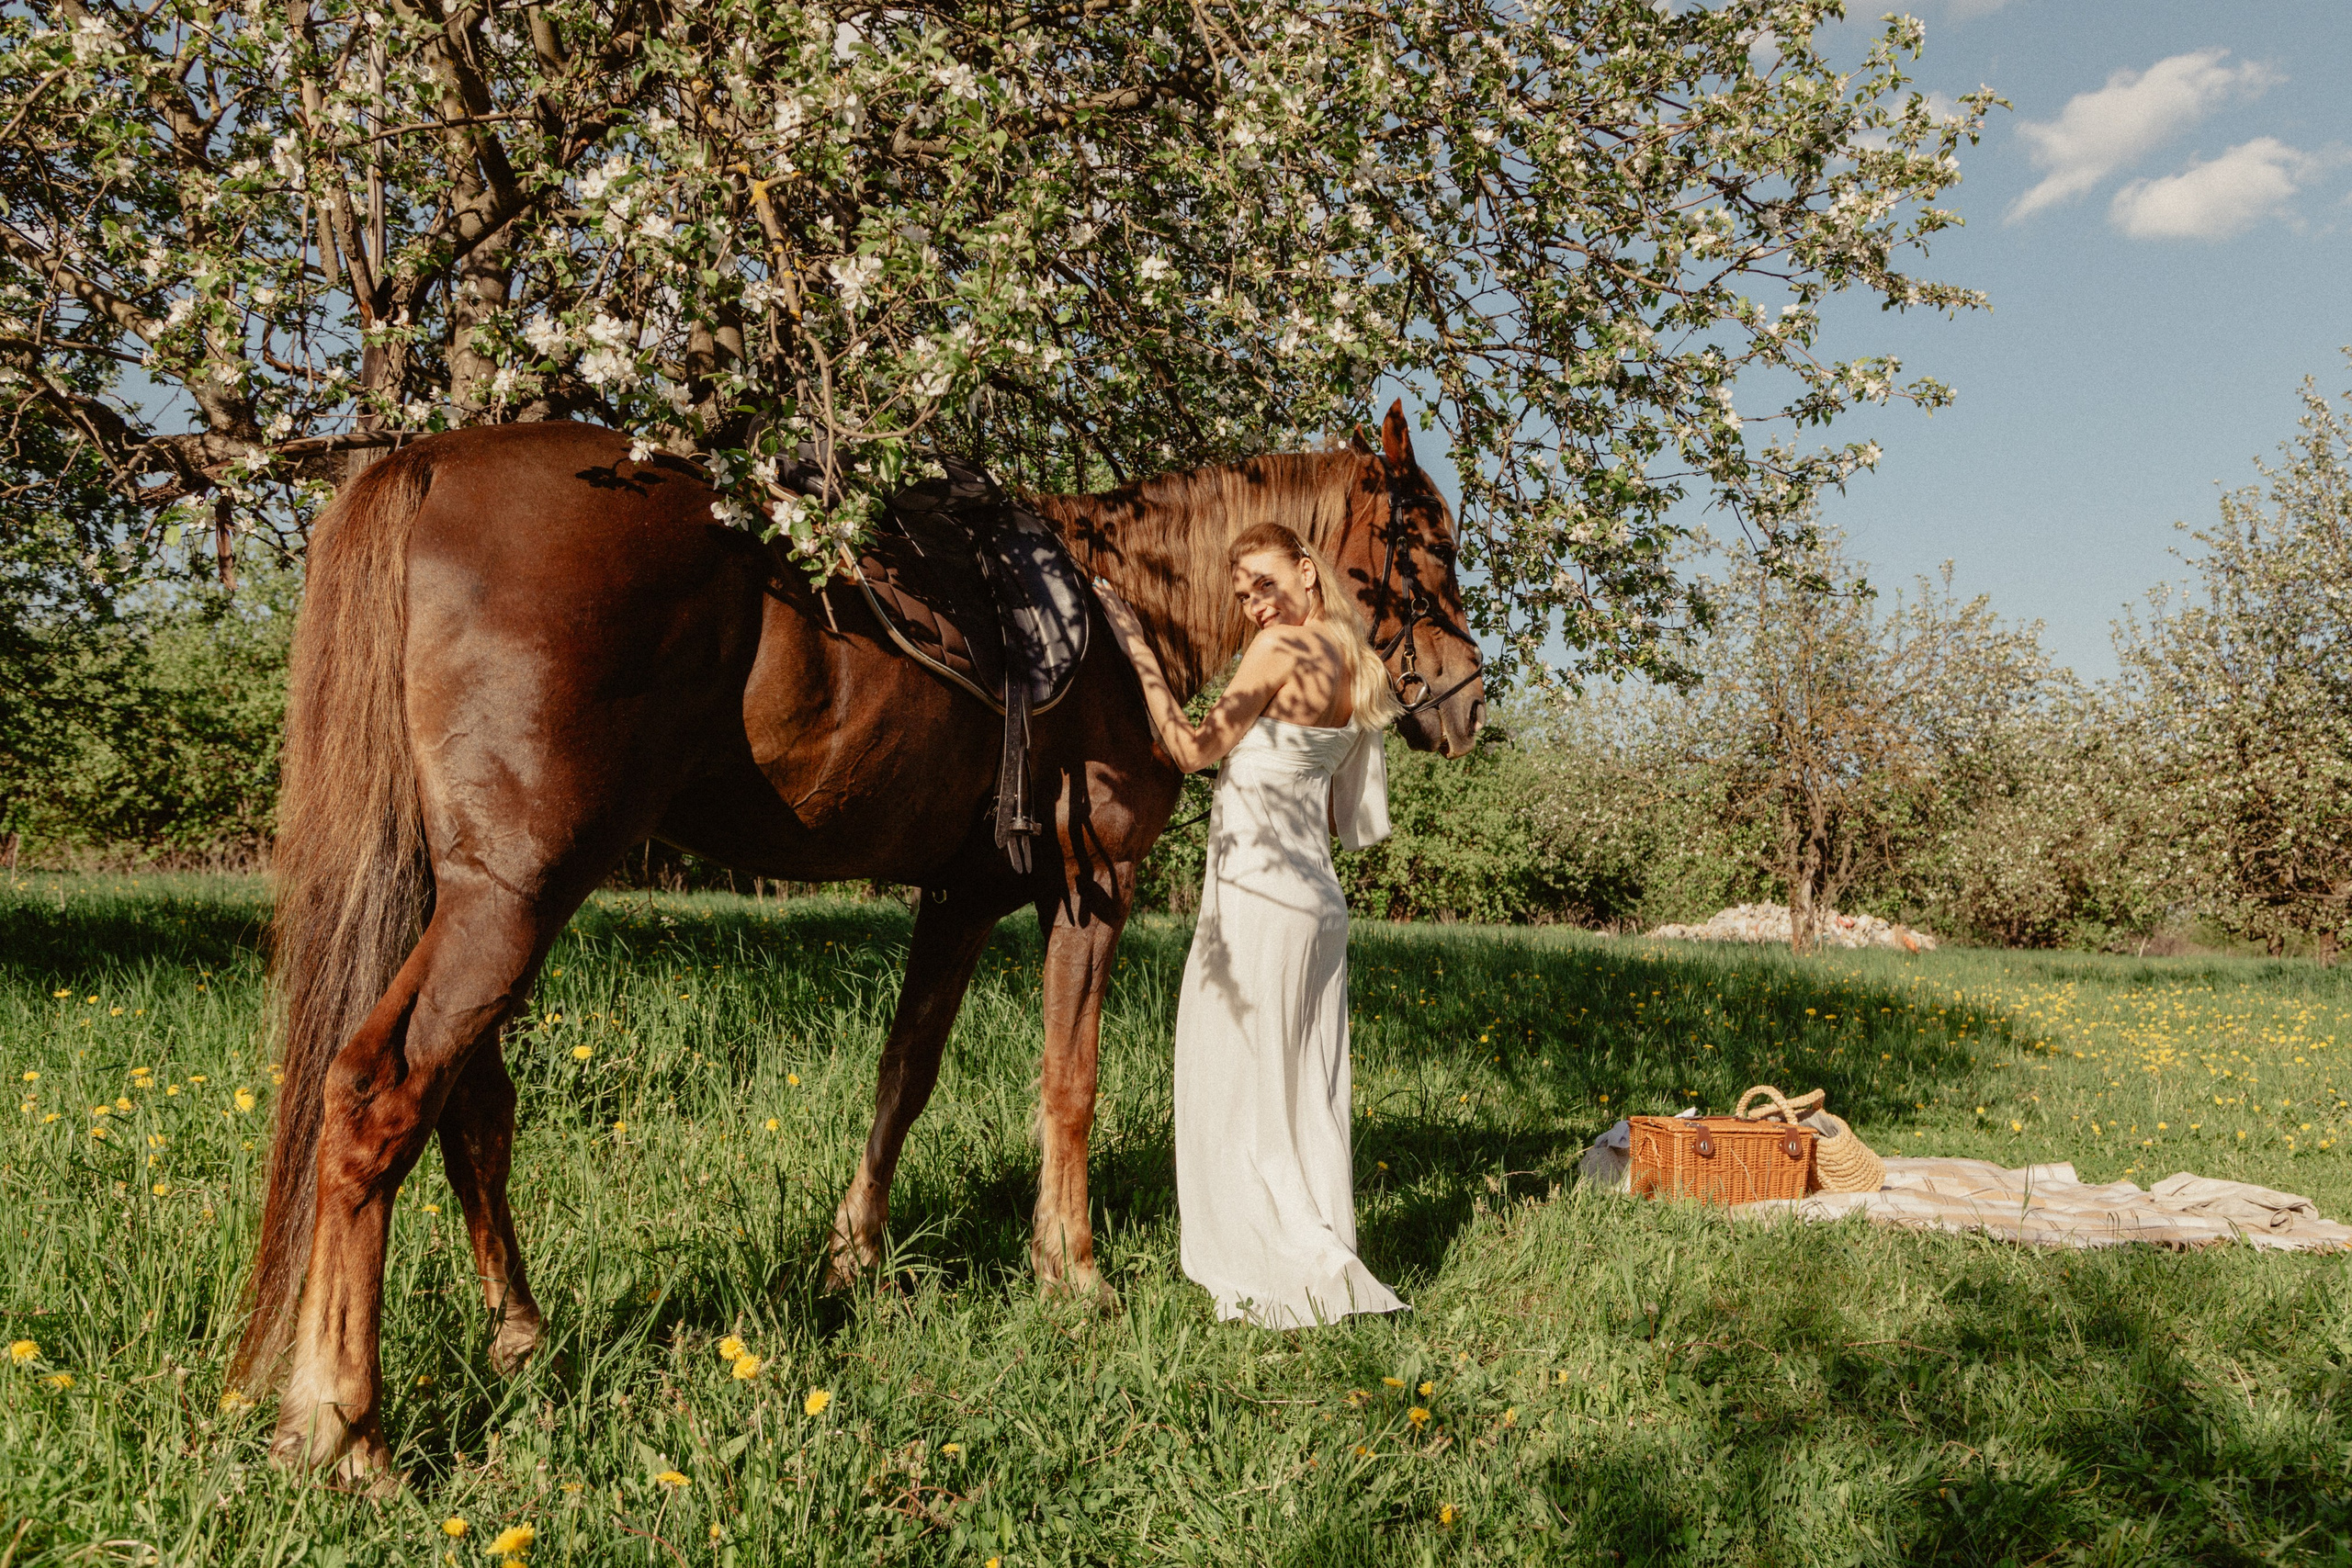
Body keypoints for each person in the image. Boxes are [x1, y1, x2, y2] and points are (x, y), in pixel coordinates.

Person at [1092, 521, 1408, 1327]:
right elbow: (1351, 820)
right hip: (1319, 905)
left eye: (1265, 583)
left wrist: (1136, 649)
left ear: (1306, 570)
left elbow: (1195, 749)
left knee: (1236, 1072)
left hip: (1259, 899)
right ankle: (1322, 1236)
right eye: (1241, 594)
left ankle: (1283, 1254)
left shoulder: (1278, 653)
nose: (1254, 605)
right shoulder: (1359, 664)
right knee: (1302, 1084)